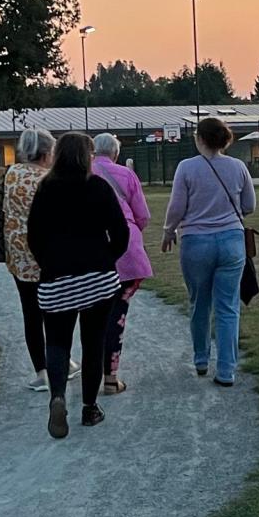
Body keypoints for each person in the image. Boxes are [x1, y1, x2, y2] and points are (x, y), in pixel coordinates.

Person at [27, 133, 129, 439]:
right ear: (88, 156)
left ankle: (57, 396)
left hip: (57, 276)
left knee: (57, 341)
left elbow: (33, 236)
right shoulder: (98, 187)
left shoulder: (45, 189)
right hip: (98, 276)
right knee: (93, 341)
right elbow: (121, 233)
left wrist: (48, 262)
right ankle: (89, 407)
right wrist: (106, 259)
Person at [161, 117, 255, 386]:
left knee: (199, 302)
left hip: (196, 242)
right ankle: (226, 370)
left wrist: (169, 231)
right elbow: (249, 204)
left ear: (199, 138)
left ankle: (201, 358)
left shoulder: (186, 168)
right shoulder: (237, 167)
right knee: (228, 307)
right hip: (231, 241)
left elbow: (177, 206)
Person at [3, 128, 67, 391]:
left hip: (18, 252)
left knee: (30, 312)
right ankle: (59, 362)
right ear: (46, 153)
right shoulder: (50, 179)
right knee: (55, 311)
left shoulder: (12, 174)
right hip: (47, 254)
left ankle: (40, 370)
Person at [91, 133, 152, 395]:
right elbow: (143, 215)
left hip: (90, 248)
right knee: (117, 313)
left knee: (93, 316)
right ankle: (111, 376)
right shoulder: (126, 175)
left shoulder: (83, 173)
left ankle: (90, 376)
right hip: (126, 247)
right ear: (115, 153)